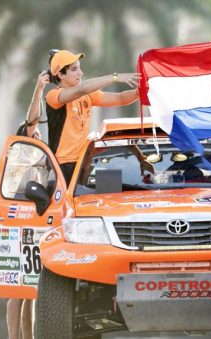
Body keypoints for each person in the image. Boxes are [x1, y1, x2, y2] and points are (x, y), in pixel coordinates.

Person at [46, 49, 140, 185]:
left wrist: (140, 92)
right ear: (60, 74)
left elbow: (120, 99)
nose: (80, 73)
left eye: (79, 68)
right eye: (74, 69)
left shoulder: (88, 95)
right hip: (64, 165)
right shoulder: (54, 96)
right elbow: (82, 89)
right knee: (74, 204)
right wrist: (115, 77)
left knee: (115, 187)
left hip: (85, 160)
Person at [7, 71, 50, 339]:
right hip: (16, 216)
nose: (38, 129)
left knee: (30, 290)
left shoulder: (42, 150)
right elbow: (32, 117)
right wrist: (39, 88)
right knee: (16, 289)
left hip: (34, 218)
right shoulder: (25, 143)